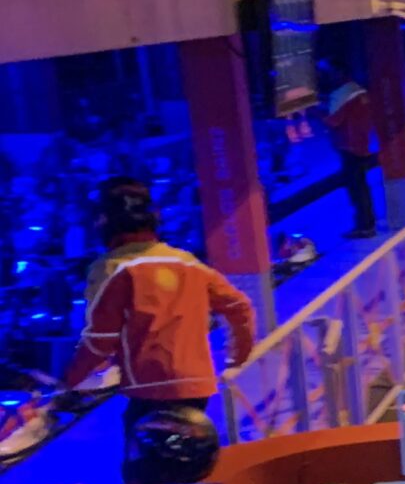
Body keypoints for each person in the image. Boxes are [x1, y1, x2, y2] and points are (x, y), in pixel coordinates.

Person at [62, 179, 259, 422]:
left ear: (104, 222)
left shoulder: (111, 268)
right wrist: (237, 358)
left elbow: (101, 339)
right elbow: (240, 307)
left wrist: (70, 380)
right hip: (198, 384)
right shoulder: (189, 263)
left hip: (149, 386)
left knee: (142, 443)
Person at [318, 64, 381, 240]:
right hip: (363, 145)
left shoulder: (343, 94)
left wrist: (316, 112)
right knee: (362, 186)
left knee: (356, 189)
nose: (328, 77)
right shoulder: (361, 92)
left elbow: (334, 121)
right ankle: (369, 222)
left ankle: (364, 226)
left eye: (329, 72)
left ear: (339, 73)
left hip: (349, 147)